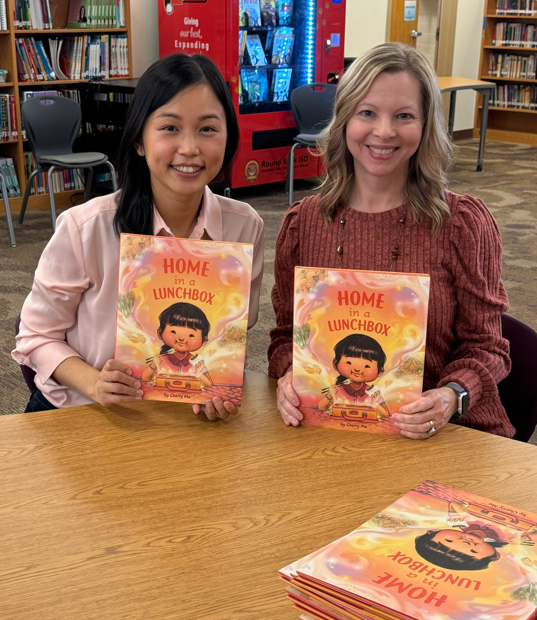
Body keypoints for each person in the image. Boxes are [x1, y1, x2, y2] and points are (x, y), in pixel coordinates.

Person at [269, 42, 514, 439]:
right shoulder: (303, 224)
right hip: (332, 431)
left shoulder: (462, 224)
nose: (384, 131)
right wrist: (286, 376)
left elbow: (488, 347)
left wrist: (452, 396)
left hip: (448, 436)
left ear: (425, 124)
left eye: (403, 116)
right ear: (345, 119)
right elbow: (284, 339)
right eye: (367, 113)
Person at [13, 53, 264, 420]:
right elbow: (34, 337)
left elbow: (236, 330)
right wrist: (94, 382)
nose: (190, 148)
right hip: (79, 410)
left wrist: (215, 387)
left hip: (177, 414)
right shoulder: (86, 228)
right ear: (139, 141)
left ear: (228, 138)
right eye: (169, 128)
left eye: (208, 129)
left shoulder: (245, 226)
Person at [142, 302, 213, 388]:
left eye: (191, 335)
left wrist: (198, 373)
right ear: (160, 333)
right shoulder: (162, 359)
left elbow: (209, 384)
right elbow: (145, 378)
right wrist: (153, 365)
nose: (181, 339)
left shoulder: (196, 363)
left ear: (204, 340)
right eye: (173, 332)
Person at [318, 333, 389, 418]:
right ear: (335, 363)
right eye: (349, 363)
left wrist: (375, 403)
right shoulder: (338, 390)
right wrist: (329, 396)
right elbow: (321, 408)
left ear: (380, 371)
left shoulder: (372, 393)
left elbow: (385, 415)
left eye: (367, 366)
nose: (357, 369)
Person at [414, 524, 508, 571]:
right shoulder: (509, 539)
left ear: (434, 531)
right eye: (473, 551)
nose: (465, 543)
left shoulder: (460, 521)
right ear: (495, 556)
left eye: (449, 541)